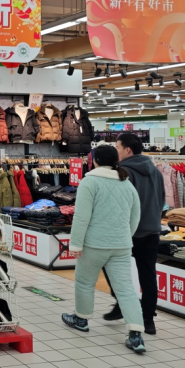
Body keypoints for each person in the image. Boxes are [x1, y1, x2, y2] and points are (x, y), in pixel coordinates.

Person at [61, 145, 147, 354]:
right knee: (125, 288)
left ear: (95, 160)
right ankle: (135, 333)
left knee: (85, 282)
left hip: (94, 244)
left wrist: (75, 244)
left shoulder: (90, 182)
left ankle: (81, 319)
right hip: (121, 245)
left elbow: (82, 217)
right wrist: (125, 235)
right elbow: (135, 215)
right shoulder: (126, 183)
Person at [103, 133, 165, 335]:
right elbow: (161, 199)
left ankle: (121, 303)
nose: (116, 151)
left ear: (127, 150)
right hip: (152, 229)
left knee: (109, 265)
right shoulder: (155, 171)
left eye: (117, 147)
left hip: (128, 231)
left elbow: (120, 204)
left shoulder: (123, 172)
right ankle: (148, 320)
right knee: (148, 275)